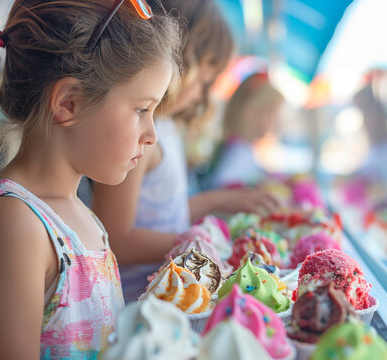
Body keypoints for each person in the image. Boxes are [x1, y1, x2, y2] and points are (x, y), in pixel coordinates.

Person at [0, 0, 181, 358]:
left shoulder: (81, 216)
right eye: (141, 110)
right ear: (69, 103)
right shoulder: (14, 223)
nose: (152, 135)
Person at [92, 0, 281, 303]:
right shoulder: (142, 137)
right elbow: (115, 239)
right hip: (139, 303)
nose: (203, 96)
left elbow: (164, 213)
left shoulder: (165, 128)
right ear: (180, 61)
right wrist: (196, 243)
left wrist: (219, 201)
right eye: (205, 82)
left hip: (174, 297)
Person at [205, 72, 286, 188]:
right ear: (251, 113)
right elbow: (223, 186)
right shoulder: (239, 151)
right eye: (272, 114)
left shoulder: (242, 147)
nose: (276, 122)